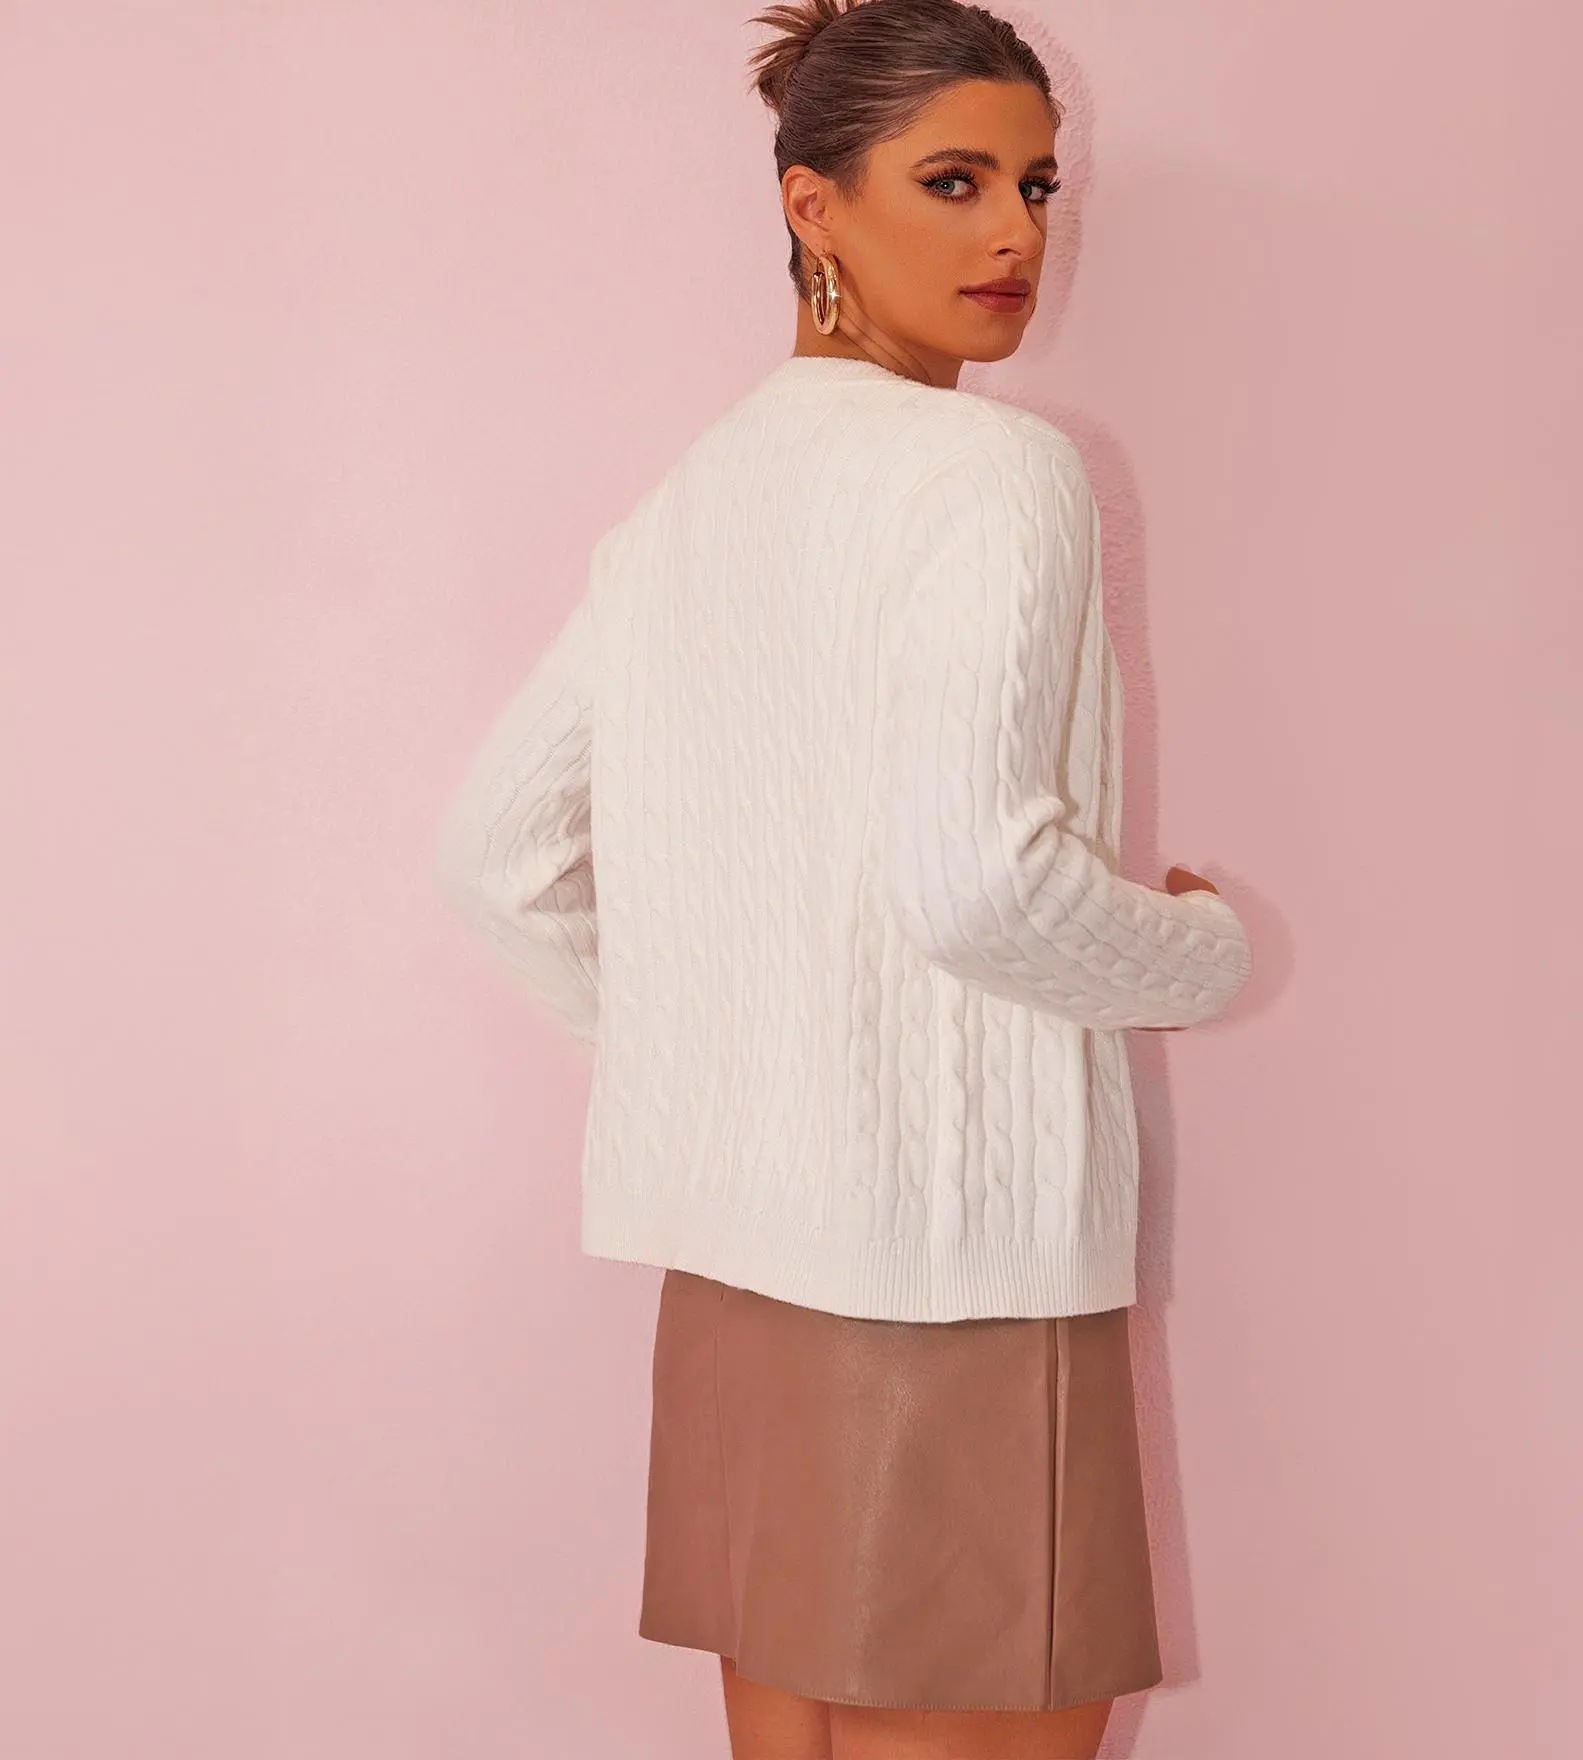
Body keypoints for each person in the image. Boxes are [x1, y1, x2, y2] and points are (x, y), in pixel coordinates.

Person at [432, 1, 1254, 1754]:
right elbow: (976, 888)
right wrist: (1199, 950)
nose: (1017, 231)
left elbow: (497, 857)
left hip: (737, 1281)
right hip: (953, 1275)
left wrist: (720, 1055)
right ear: (813, 204)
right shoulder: (994, 470)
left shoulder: (685, 506)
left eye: (1036, 184)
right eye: (954, 182)